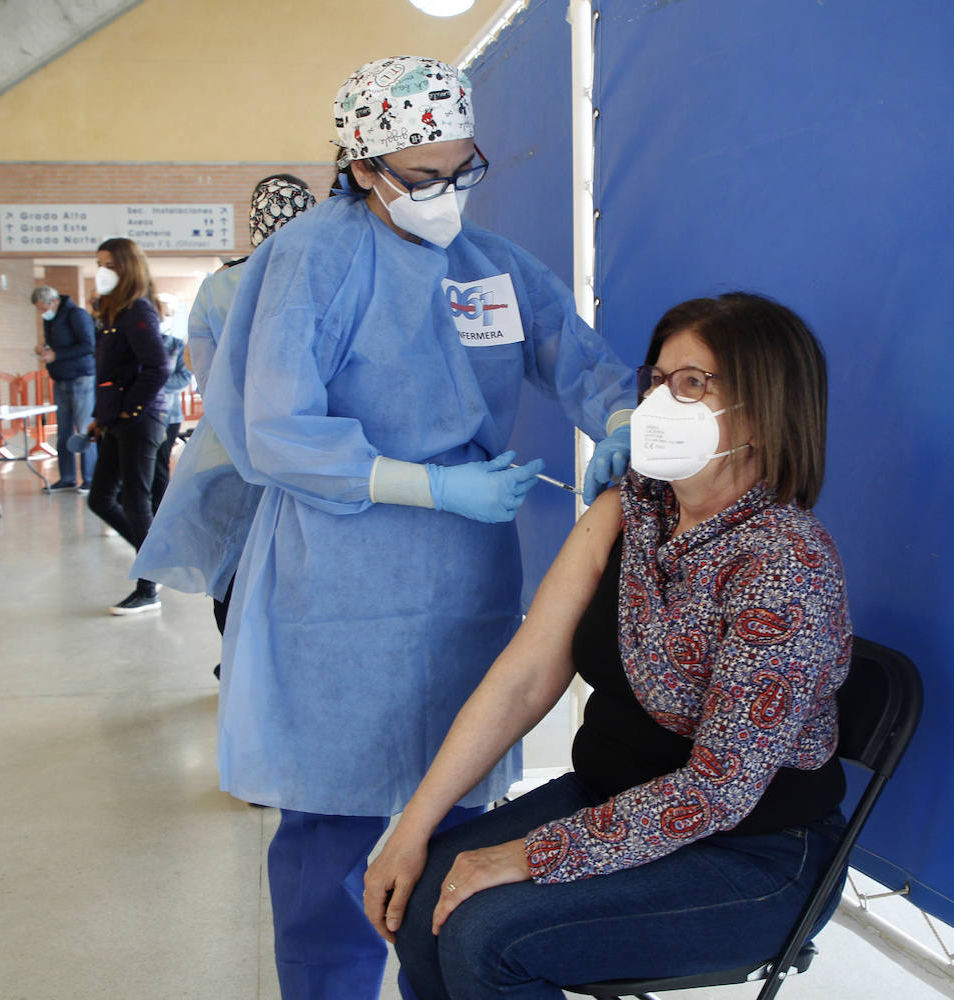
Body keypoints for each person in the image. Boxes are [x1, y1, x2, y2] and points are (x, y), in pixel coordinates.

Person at [201, 56, 636, 1000]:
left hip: (463, 587)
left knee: (454, 817)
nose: (446, 197)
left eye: (462, 170)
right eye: (421, 177)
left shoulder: (491, 269)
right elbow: (275, 430)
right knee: (335, 827)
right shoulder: (312, 258)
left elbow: (574, 354)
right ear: (362, 166)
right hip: (339, 581)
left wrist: (621, 423)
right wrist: (431, 489)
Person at [365, 292, 853, 1000]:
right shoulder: (632, 508)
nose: (659, 401)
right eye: (656, 380)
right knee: (420, 903)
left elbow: (718, 792)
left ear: (762, 405)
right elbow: (526, 675)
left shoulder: (782, 564)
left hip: (751, 853)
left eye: (693, 384)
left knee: (487, 937)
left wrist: (533, 855)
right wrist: (414, 827)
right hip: (615, 799)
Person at [131, 173, 317, 676]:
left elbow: (207, 376)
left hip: (231, 449)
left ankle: (238, 660)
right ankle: (288, 664)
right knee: (301, 561)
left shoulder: (219, 285)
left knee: (231, 559)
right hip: (316, 448)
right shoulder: (326, 273)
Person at [84, 237, 170, 616]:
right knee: (100, 498)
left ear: (126, 268)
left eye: (109, 265)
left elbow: (158, 368)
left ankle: (148, 585)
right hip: (116, 421)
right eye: (98, 264)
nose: (101, 272)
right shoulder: (112, 312)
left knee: (137, 501)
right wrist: (102, 418)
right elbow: (110, 375)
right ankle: (153, 556)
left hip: (141, 420)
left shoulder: (138, 310)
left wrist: (131, 410)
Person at [30, 285, 97, 493]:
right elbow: (56, 344)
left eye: (43, 308)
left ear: (54, 301)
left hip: (81, 378)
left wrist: (57, 355)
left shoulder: (76, 315)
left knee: (85, 430)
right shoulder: (50, 319)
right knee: (64, 432)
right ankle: (67, 477)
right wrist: (45, 350)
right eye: (39, 309)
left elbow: (88, 345)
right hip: (60, 379)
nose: (42, 313)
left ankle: (90, 478)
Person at [149, 294, 194, 513]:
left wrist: (154, 383)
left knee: (159, 466)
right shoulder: (137, 345)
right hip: (141, 416)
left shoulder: (176, 345)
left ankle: (159, 513)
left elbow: (184, 378)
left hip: (169, 416)